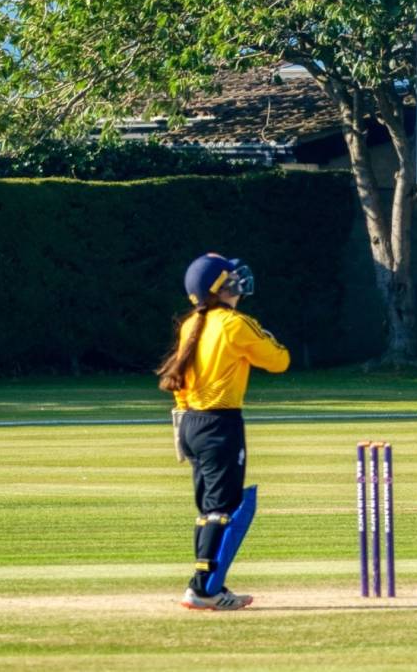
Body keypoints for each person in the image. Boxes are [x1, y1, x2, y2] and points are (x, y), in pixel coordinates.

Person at [156, 253, 290, 610]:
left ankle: (209, 583)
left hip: (190, 422)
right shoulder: (235, 324)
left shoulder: (191, 324)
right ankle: (203, 590)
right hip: (219, 424)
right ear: (221, 286)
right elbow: (279, 361)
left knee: (208, 510)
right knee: (223, 509)